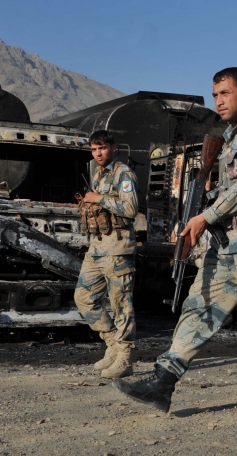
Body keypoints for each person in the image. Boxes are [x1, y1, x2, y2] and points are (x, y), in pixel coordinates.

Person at [114, 67, 237, 419]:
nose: (218, 101)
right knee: (198, 306)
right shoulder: (230, 138)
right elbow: (233, 187)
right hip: (226, 243)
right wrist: (210, 192)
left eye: (225, 93)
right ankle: (163, 381)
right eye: (215, 94)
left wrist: (206, 215)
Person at [74, 130, 140, 379]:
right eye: (93, 149)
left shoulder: (124, 173)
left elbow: (131, 208)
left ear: (114, 147)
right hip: (97, 248)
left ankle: (125, 358)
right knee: (83, 297)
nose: (98, 153)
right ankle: (113, 346)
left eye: (102, 148)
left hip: (118, 250)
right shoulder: (98, 174)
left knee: (121, 304)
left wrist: (99, 199)